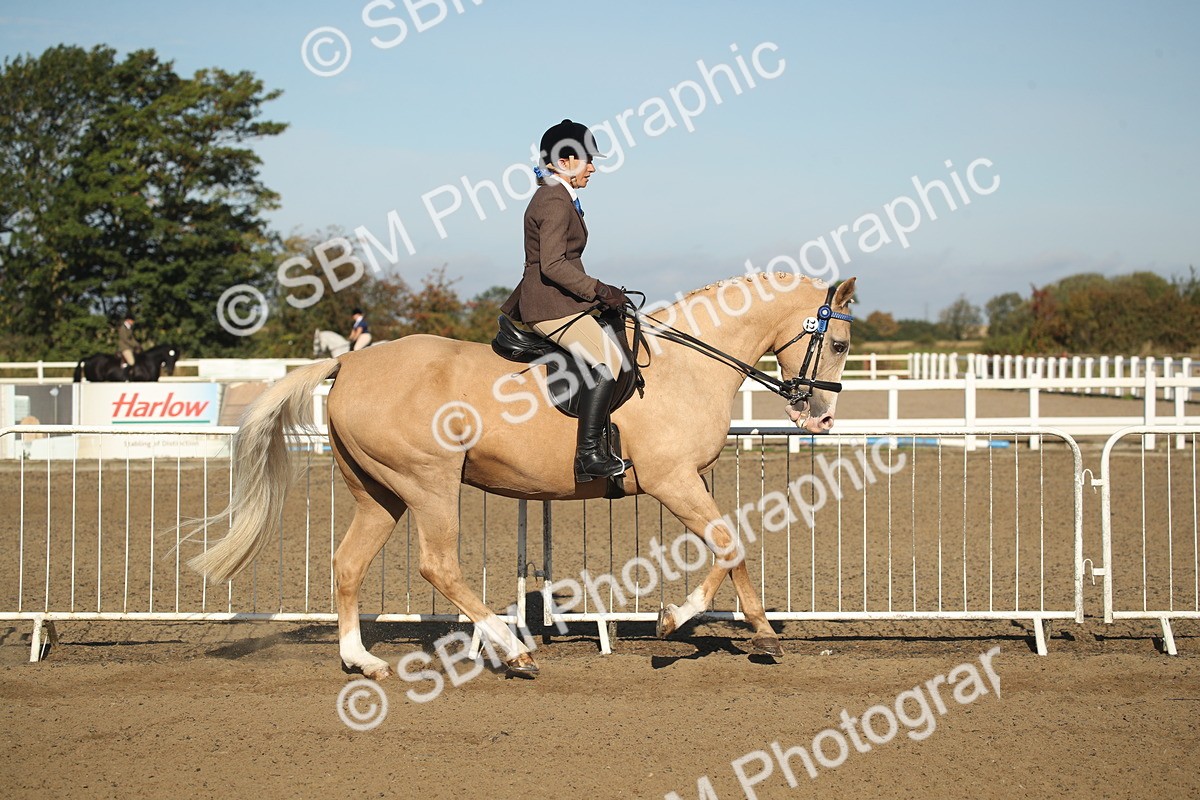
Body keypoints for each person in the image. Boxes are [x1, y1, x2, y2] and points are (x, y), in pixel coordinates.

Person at [499, 119, 632, 483]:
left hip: (562, 301)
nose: (593, 167)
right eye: (588, 159)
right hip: (550, 305)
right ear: (565, 159)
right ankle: (588, 455)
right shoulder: (554, 200)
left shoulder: (559, 197)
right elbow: (554, 264)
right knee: (608, 360)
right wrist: (598, 290)